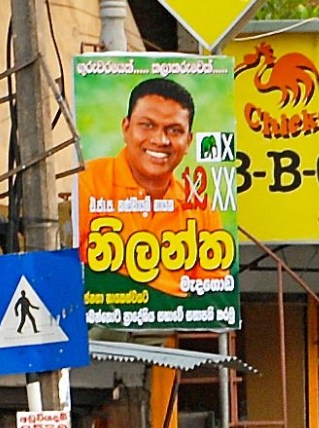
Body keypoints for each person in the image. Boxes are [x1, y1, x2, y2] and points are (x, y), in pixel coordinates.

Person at [77, 77, 227, 297]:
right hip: (98, 326)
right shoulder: (88, 182)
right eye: (147, 125)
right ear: (126, 128)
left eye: (174, 130)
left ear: (189, 141)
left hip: (173, 326)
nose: (160, 140)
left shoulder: (199, 206)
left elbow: (213, 294)